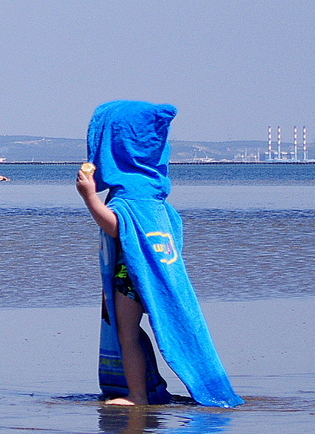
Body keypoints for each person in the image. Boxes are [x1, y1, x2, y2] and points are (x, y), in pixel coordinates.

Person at [75, 100, 244, 408]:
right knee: (134, 331)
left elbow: (116, 227)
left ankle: (138, 395)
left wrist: (89, 198)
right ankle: (148, 386)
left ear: (116, 149)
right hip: (151, 273)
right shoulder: (154, 194)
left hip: (131, 275)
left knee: (127, 334)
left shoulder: (130, 196)